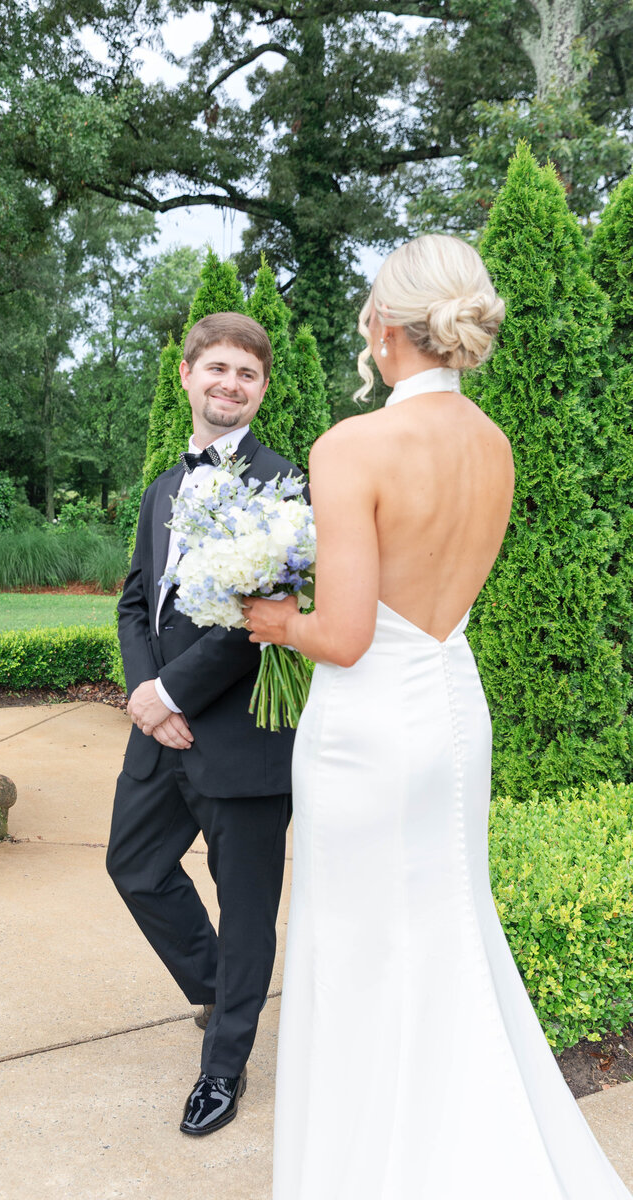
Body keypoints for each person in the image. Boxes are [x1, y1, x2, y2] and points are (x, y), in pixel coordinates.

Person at [244, 235, 632, 1198]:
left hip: (368, 731)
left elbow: (344, 637)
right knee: (450, 926)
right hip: (453, 707)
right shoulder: (493, 444)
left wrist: (273, 621)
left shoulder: (353, 445)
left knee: (358, 946)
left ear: (384, 327)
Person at [106, 312, 301, 1137]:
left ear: (262, 389)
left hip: (241, 738)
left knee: (246, 906)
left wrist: (175, 693)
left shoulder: (284, 486)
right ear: (186, 373)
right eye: (217, 368)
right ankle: (223, 992)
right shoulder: (162, 486)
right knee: (134, 866)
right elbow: (134, 600)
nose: (231, 384)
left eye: (247, 374)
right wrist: (146, 694)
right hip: (158, 732)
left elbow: (265, 618)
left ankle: (224, 1067)